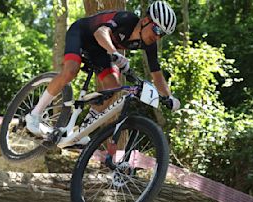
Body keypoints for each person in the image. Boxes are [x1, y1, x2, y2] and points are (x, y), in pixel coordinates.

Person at [26, 1, 181, 136]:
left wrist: (169, 97)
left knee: (113, 88)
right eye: (157, 30)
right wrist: (114, 53)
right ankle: (35, 114)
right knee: (71, 70)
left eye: (163, 35)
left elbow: (157, 74)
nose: (158, 36)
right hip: (82, 34)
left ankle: (81, 131)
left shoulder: (149, 44)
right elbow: (101, 32)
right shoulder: (127, 19)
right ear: (146, 20)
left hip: (99, 50)